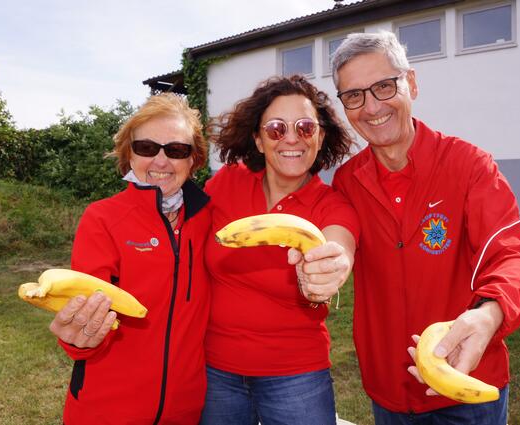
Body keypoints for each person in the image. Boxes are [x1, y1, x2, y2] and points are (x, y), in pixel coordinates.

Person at [330, 31, 520, 424]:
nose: (371, 107)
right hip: (389, 391)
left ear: (411, 83)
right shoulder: (347, 182)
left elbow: (510, 255)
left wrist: (489, 314)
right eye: (354, 95)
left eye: (384, 86)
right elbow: (338, 243)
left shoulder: (469, 166)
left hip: (467, 383)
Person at [200, 75, 360, 425]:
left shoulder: (333, 206)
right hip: (217, 372)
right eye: (276, 128)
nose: (291, 138)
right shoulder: (226, 182)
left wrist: (329, 270)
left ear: (320, 137)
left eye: (305, 127)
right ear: (258, 140)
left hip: (296, 376)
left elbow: (338, 247)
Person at [47, 93, 211, 424]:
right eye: (146, 148)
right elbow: (86, 317)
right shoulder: (102, 218)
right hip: (107, 410)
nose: (161, 161)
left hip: (186, 410)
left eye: (176, 150)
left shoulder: (209, 217)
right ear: (130, 155)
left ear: (194, 159)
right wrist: (79, 338)